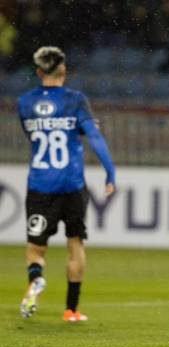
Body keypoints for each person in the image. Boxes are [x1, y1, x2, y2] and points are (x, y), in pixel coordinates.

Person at [17, 46, 116, 322]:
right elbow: (94, 138)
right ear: (64, 70)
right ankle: (71, 309)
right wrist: (110, 171)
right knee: (75, 244)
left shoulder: (25, 103)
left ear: (38, 72)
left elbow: (30, 135)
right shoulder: (75, 100)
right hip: (72, 185)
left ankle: (36, 278)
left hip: (39, 186)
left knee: (36, 249)